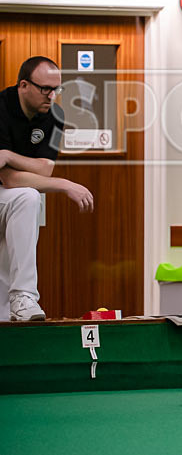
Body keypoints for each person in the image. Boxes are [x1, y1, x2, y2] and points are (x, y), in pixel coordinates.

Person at [0, 56, 94, 321]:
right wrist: (64, 185)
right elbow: (9, 179)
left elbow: (44, 169)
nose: (52, 96)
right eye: (46, 89)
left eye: (57, 89)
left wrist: (8, 154)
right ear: (23, 85)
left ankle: (22, 299)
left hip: (9, 198)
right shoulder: (1, 108)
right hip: (7, 190)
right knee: (27, 196)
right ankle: (22, 295)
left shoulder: (55, 115)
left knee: (28, 199)